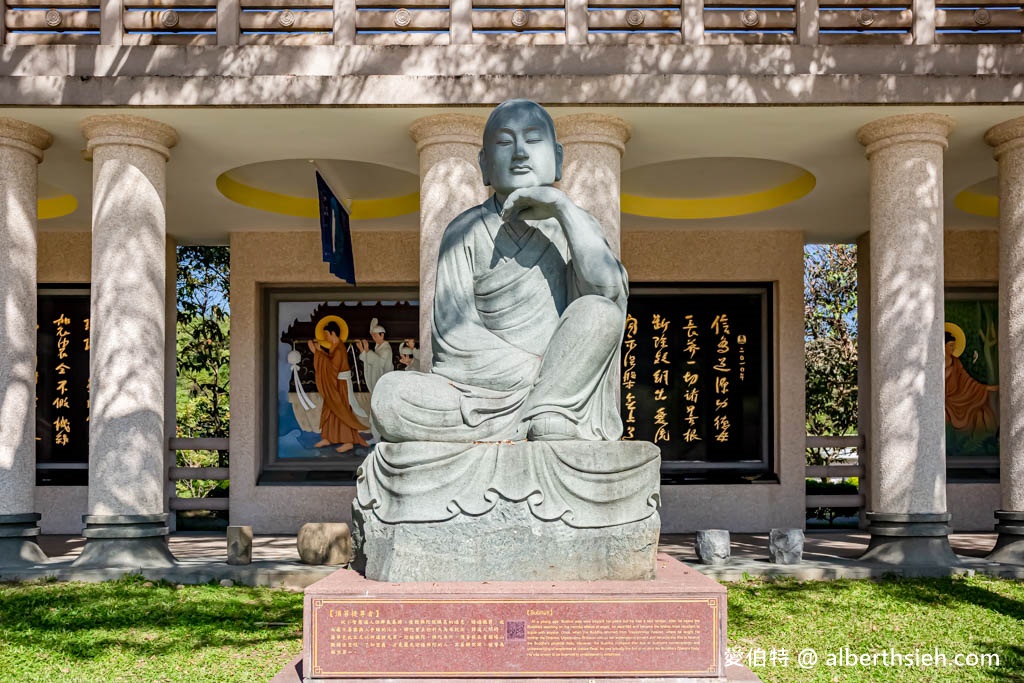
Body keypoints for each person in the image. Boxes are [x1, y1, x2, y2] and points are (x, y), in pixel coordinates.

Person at [371, 99, 627, 443]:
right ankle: (540, 411)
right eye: (505, 143)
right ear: (484, 164)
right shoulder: (463, 230)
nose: (520, 153)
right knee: (390, 396)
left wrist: (563, 208)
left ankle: (548, 410)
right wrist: (539, 373)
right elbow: (453, 337)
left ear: (559, 158)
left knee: (600, 314)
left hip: (561, 391)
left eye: (533, 140)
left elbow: (607, 291)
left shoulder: (577, 227)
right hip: (483, 391)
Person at [308, 321, 369, 453]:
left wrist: (316, 353)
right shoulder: (334, 346)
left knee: (341, 410)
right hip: (335, 383)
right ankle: (328, 437)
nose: (325, 337)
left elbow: (333, 368)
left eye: (326, 334)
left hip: (340, 385)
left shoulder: (340, 348)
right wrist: (319, 352)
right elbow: (330, 362)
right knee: (330, 409)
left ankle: (348, 441)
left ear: (333, 333)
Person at [944, 328, 998, 436]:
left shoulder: (956, 363)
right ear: (943, 346)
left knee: (980, 414)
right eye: (950, 345)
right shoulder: (936, 364)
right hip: (945, 401)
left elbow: (967, 381)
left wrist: (986, 388)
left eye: (954, 345)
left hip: (959, 398)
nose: (953, 348)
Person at [355, 318, 393, 394]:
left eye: (375, 336)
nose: (374, 339)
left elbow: (378, 362)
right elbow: (370, 360)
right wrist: (362, 350)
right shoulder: (378, 346)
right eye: (373, 336)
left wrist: (367, 350)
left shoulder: (386, 349)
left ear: (382, 335)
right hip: (377, 377)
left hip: (383, 378)